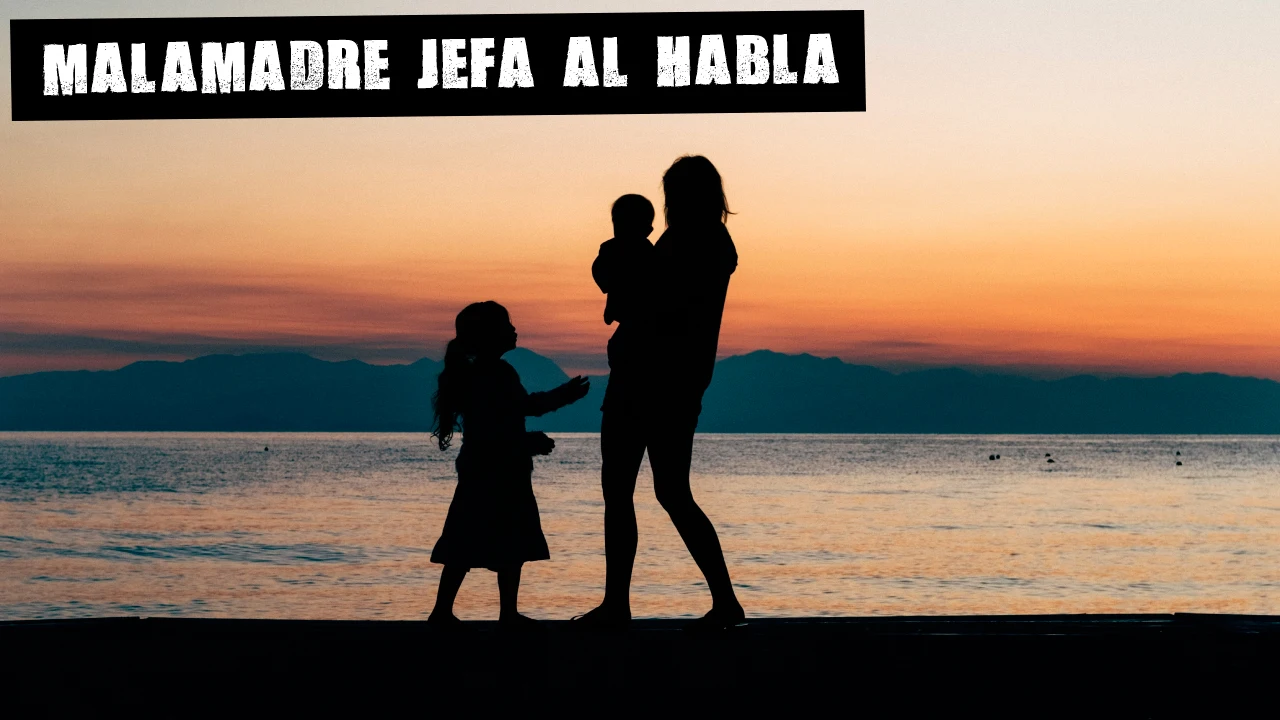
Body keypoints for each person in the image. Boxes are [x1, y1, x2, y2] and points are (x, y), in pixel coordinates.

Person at [577, 156, 745, 630]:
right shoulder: (698, 241)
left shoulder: (696, 242)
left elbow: (656, 301)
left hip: (652, 379)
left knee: (631, 490)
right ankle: (715, 601)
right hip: (672, 379)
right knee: (665, 491)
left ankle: (620, 605)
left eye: (673, 190)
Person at [426, 301, 590, 629]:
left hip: (489, 468)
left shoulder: (488, 372)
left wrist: (561, 397)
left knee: (482, 540)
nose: (514, 330)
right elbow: (499, 425)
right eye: (506, 325)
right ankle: (477, 613)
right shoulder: (491, 374)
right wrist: (530, 441)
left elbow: (517, 410)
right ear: (488, 335)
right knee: (492, 539)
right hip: (495, 469)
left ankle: (465, 611)